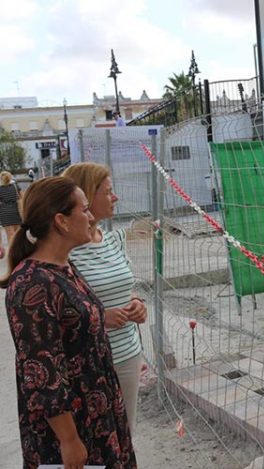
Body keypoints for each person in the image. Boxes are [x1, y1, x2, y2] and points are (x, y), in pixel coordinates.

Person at [0, 176, 136, 468]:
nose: (90, 218)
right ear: (61, 221)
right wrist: (69, 440)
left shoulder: (64, 267)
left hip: (97, 412)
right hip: (72, 427)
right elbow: (41, 372)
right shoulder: (30, 285)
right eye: (84, 210)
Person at [63, 162, 147, 437]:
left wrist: (137, 305)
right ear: (86, 195)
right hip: (90, 363)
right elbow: (57, 311)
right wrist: (100, 317)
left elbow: (123, 290)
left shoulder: (113, 239)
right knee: (95, 442)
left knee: (125, 436)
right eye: (108, 192)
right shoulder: (66, 251)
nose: (115, 197)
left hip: (127, 355)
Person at [0, 171, 23, 259]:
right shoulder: (15, 185)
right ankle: (20, 252)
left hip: (4, 212)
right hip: (16, 211)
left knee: (10, 235)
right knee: (18, 234)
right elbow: (21, 197)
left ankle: (13, 255)